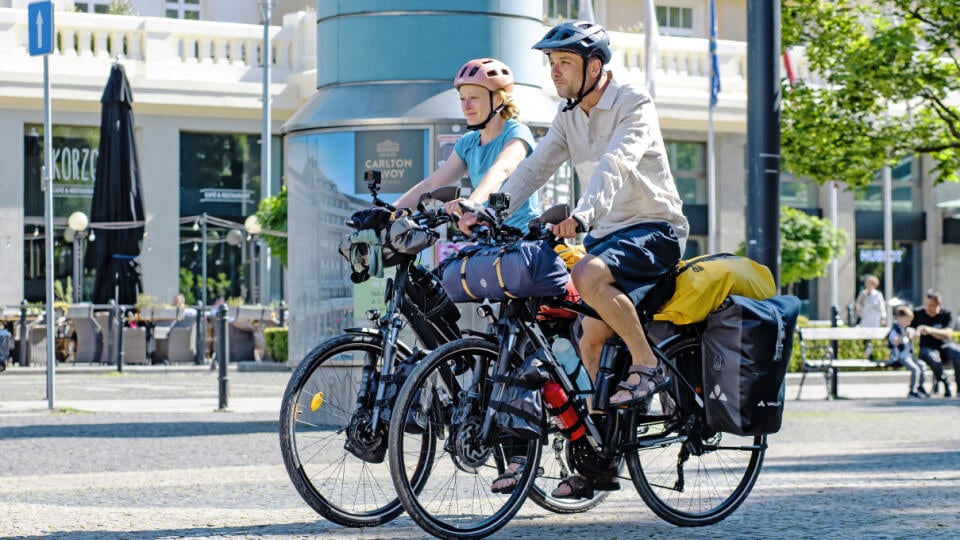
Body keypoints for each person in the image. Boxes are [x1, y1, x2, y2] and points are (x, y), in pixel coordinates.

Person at [459, 21, 689, 498]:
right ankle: (602, 464)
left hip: (655, 228)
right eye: (551, 63)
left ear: (595, 66)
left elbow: (617, 163)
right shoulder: (568, 116)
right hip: (609, 233)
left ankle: (649, 365)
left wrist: (583, 214)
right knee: (589, 337)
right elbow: (537, 166)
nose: (555, 71)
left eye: (564, 62)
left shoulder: (632, 102)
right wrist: (489, 209)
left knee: (586, 272)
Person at [394, 58, 539, 232]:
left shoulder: (516, 132)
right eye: (462, 98)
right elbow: (431, 185)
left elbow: (501, 170)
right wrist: (389, 213)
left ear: (499, 100)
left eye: (474, 98)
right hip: (487, 237)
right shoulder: (468, 142)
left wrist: (471, 202)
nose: (466, 106)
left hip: (523, 239)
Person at [910, 289, 959, 397]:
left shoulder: (946, 314)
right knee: (933, 357)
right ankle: (946, 383)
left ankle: (959, 388)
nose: (927, 308)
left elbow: (948, 334)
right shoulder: (918, 313)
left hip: (944, 346)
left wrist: (930, 330)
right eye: (926, 305)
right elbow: (910, 328)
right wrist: (914, 332)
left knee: (957, 352)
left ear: (939, 304)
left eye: (931, 305)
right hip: (926, 348)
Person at [887, 306, 927, 398]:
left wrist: (916, 333)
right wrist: (904, 335)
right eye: (906, 321)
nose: (908, 323)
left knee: (922, 365)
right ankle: (912, 391)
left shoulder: (906, 329)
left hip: (909, 355)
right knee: (915, 369)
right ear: (899, 318)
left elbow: (913, 339)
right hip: (900, 356)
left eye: (910, 321)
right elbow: (895, 342)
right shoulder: (895, 330)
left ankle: (920, 387)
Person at [855, 274, 886, 359]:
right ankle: (866, 354)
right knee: (865, 336)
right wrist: (859, 311)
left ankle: (872, 354)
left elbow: (882, 306)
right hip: (866, 317)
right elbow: (858, 303)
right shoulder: (863, 293)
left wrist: (883, 318)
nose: (867, 285)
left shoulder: (878, 294)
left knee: (873, 336)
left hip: (874, 318)